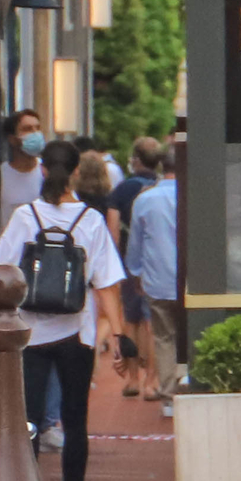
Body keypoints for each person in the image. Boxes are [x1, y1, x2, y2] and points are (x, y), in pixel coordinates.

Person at [0, 140, 126, 481]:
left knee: (29, 420)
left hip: (30, 332)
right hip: (77, 334)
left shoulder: (24, 216)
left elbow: (2, 269)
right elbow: (105, 284)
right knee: (75, 419)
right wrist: (119, 335)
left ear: (42, 170)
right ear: (75, 174)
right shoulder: (90, 219)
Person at [125, 148, 183, 414]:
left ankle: (169, 395)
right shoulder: (196, 195)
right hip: (192, 280)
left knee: (164, 337)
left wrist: (136, 273)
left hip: (157, 278)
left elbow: (136, 243)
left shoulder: (145, 200)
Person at [108, 137, 164, 397]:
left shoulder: (122, 190)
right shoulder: (163, 187)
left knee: (130, 319)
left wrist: (115, 262)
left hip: (130, 262)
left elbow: (113, 230)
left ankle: (131, 379)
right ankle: (152, 381)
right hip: (159, 262)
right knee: (152, 323)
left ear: (136, 160)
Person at [0, 109, 46, 234]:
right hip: (9, 251)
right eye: (27, 129)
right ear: (12, 139)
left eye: (37, 128)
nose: (35, 134)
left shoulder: (48, 174)